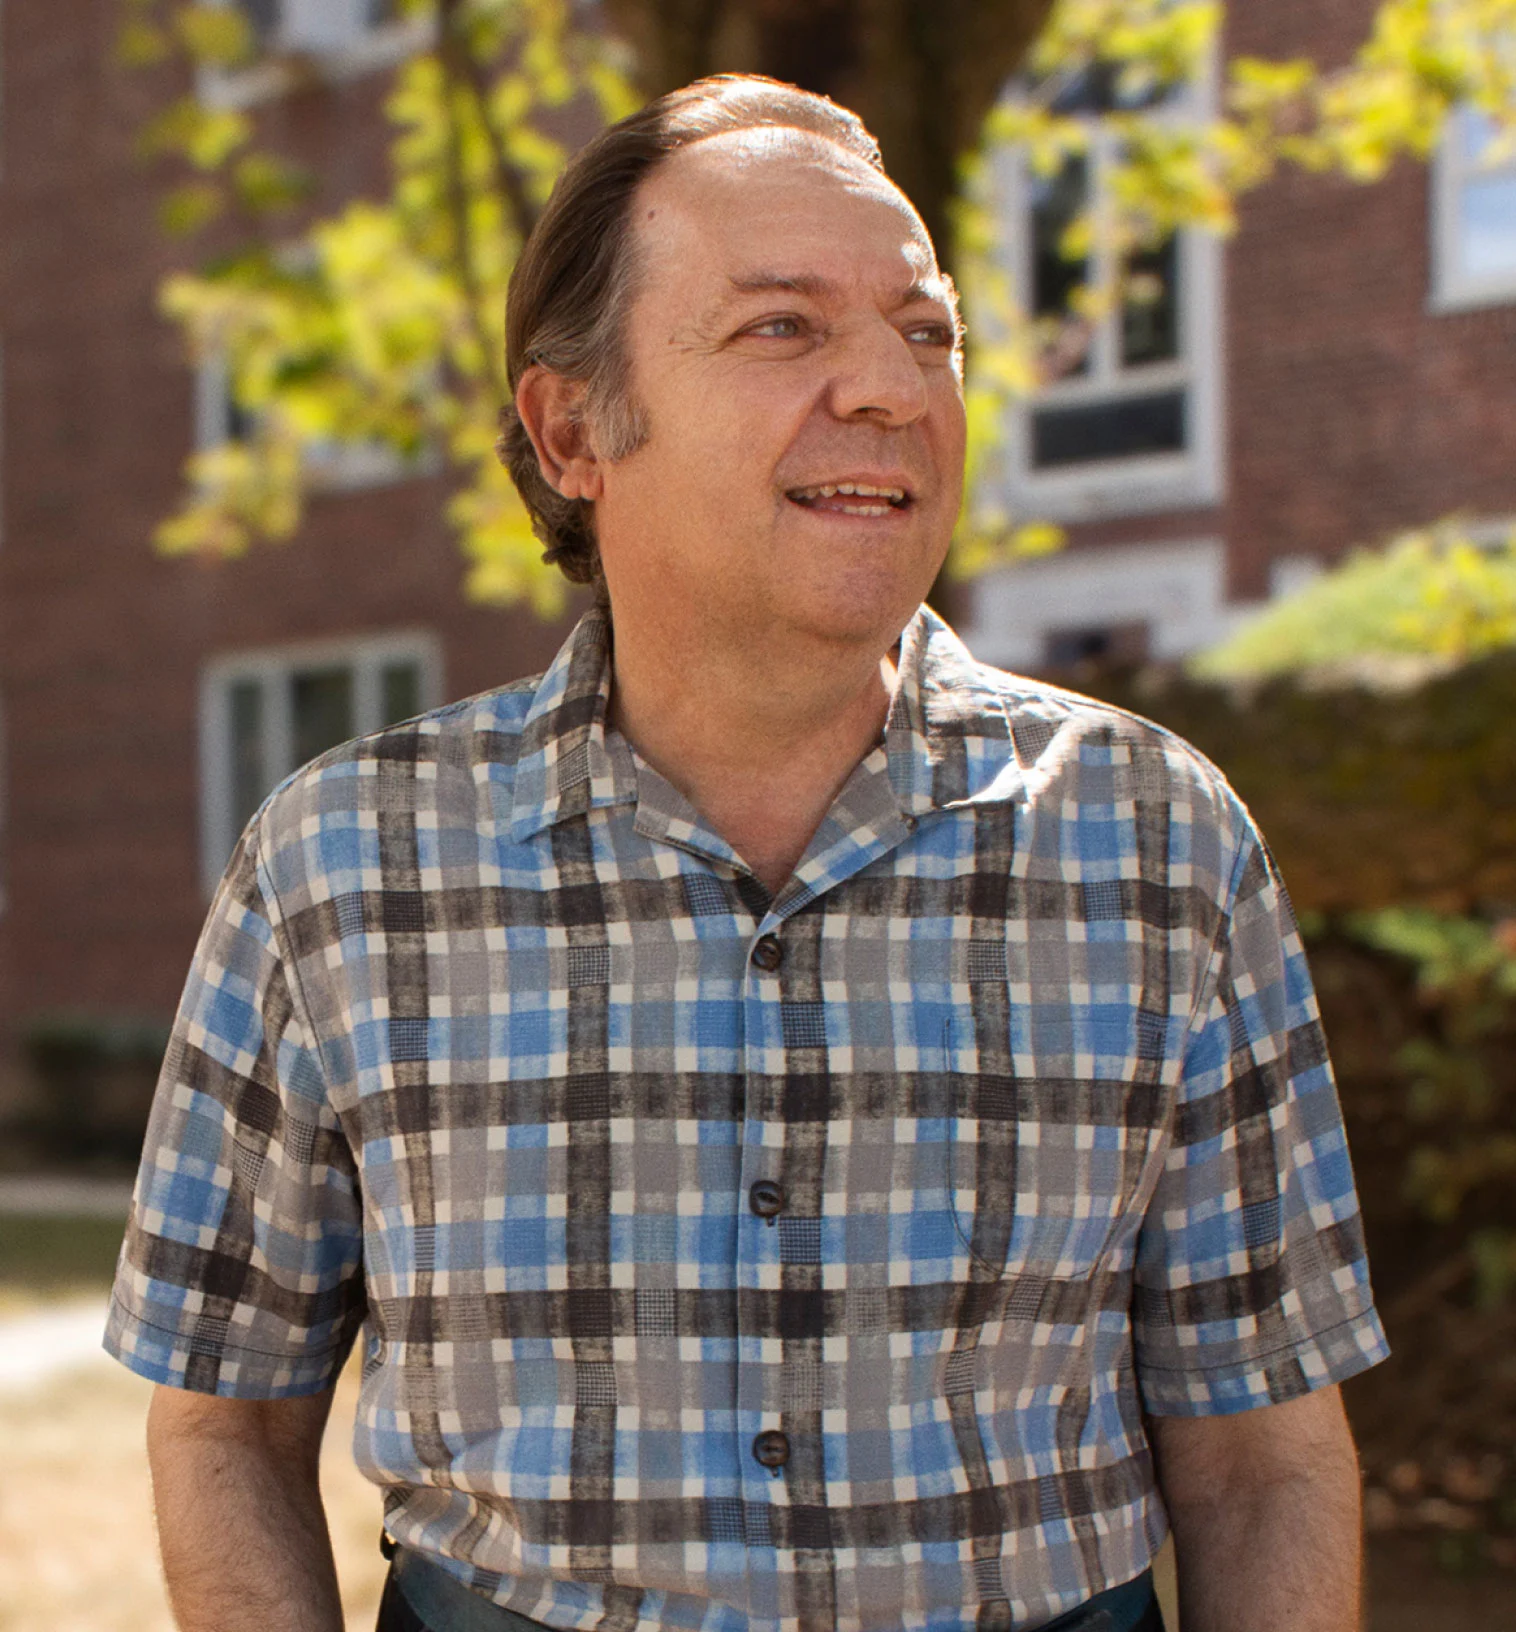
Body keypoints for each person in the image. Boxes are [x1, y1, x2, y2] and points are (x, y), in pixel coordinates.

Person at [109, 75, 1387, 1632]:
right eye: (784, 327)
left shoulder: (1162, 841)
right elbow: (225, 1424)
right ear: (573, 428)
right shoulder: (337, 867)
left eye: (927, 333)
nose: (892, 389)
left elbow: (1267, 1461)